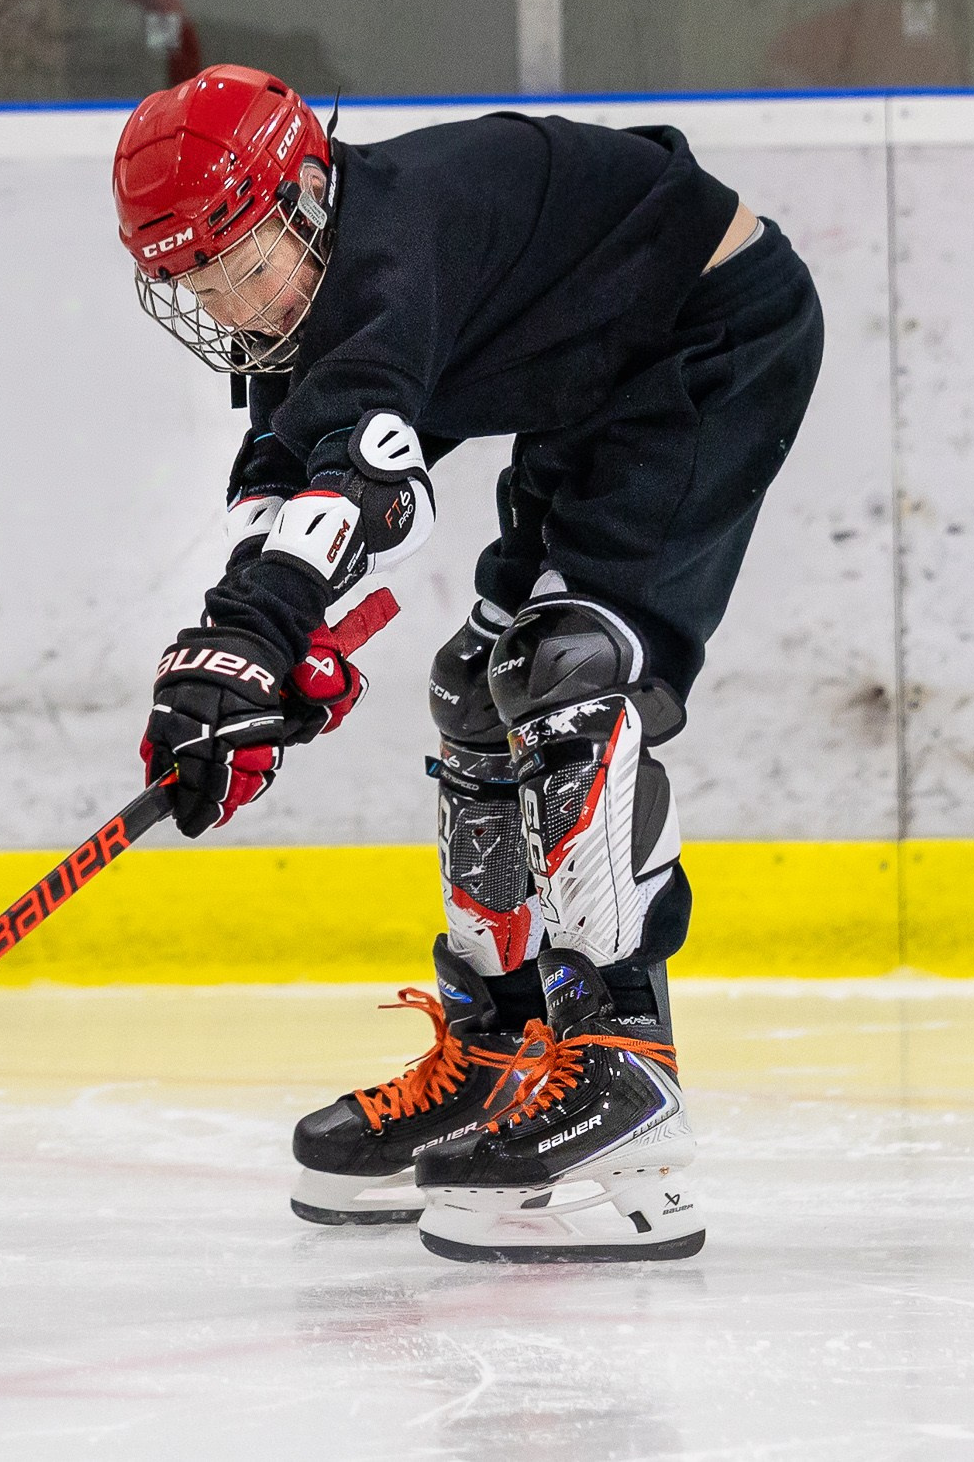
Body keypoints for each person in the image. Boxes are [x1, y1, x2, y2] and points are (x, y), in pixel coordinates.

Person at [113, 66, 821, 1261]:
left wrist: (259, 635)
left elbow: (371, 487)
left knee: (570, 670)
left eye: (243, 269)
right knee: (475, 687)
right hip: (594, 363)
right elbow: (286, 483)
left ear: (301, 203)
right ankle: (498, 1048)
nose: (233, 309)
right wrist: (247, 666)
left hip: (709, 338)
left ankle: (624, 1077)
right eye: (201, 286)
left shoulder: (385, 253)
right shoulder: (316, 286)